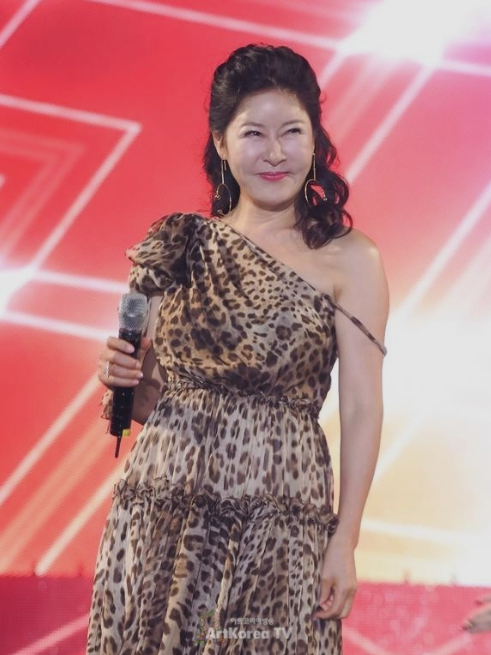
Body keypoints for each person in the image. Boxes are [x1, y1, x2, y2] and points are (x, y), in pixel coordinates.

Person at [86, 43, 389, 654]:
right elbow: (155, 406)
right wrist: (120, 376)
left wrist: (345, 539)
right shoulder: (179, 245)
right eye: (254, 133)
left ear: (315, 140)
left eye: (292, 132)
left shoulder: (350, 258)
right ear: (221, 144)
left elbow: (362, 408)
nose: (275, 152)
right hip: (161, 515)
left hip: (278, 525)